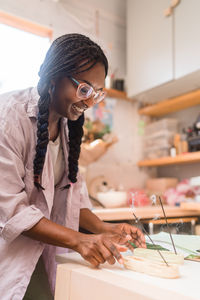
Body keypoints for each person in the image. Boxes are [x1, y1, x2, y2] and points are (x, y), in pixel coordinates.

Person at [0, 33, 146, 300]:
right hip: (8, 251)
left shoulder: (69, 129)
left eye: (96, 93)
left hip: (43, 249)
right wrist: (80, 240)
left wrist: (104, 228)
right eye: (84, 89)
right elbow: (10, 210)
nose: (89, 102)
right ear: (54, 77)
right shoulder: (9, 117)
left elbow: (72, 201)